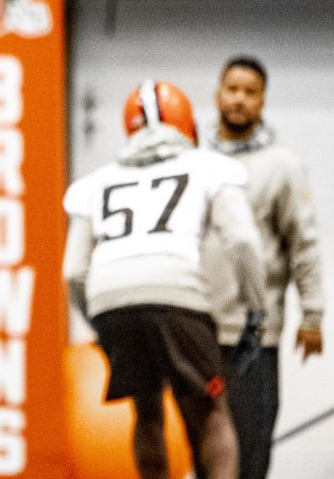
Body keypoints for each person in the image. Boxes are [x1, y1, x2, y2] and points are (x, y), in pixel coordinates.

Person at [62, 80, 268, 479]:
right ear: (187, 126)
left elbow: (73, 270)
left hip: (110, 298)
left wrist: (97, 322)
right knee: (211, 411)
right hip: (177, 293)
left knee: (147, 410)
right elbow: (242, 240)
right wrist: (255, 312)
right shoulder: (210, 166)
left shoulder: (96, 181)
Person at [203, 55, 326, 479]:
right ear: (217, 94)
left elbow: (303, 243)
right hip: (198, 332)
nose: (239, 99)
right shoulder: (194, 163)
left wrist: (313, 313)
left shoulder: (282, 165)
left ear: (262, 101)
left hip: (255, 336)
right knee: (205, 454)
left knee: (251, 454)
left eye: (250, 92)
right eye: (232, 89)